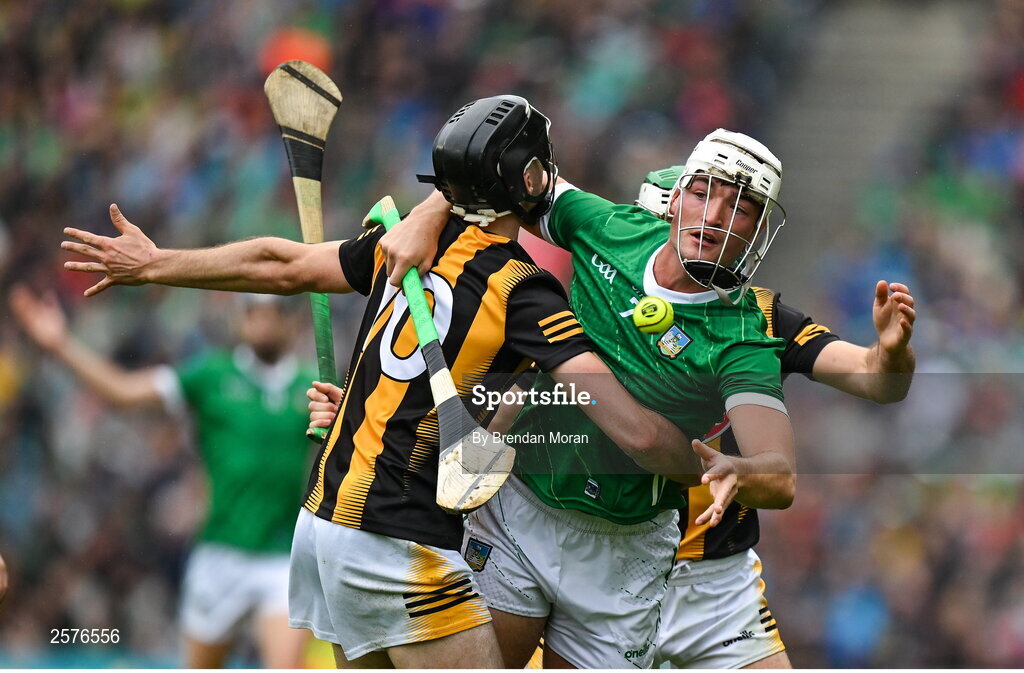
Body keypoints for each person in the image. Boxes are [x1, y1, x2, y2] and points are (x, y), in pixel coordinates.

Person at [58, 95, 726, 668]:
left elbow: (280, 264)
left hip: (323, 523)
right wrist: (713, 465)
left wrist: (156, 261)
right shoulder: (525, 290)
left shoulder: (406, 243)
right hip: (398, 539)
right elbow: (633, 428)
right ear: (526, 181)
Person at [366, 128, 798, 668]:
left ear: (758, 230)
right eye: (705, 192)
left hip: (625, 548)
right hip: (519, 505)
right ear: (679, 195)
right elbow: (501, 165)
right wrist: (428, 214)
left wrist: (743, 470)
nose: (715, 215)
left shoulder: (744, 338)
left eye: (741, 208)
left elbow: (779, 474)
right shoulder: (609, 227)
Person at [634, 165, 916, 668]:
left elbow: (875, 380)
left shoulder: (760, 320)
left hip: (716, 585)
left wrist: (890, 353)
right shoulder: (589, 308)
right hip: (609, 565)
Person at [8, 288, 315, 669]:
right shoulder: (211, 375)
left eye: (273, 311)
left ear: (292, 320)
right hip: (220, 552)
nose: (262, 319)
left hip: (280, 557)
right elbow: (123, 392)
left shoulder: (312, 386)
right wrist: (61, 345)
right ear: (241, 317)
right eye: (253, 311)